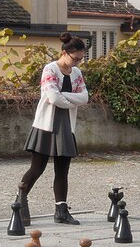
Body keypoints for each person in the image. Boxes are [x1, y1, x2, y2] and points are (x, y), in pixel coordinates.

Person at [18, 32, 89, 225]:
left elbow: (84, 98)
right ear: (65, 53)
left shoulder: (77, 73)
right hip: (46, 125)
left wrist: (64, 98)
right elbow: (53, 98)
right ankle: (19, 202)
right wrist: (69, 100)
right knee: (37, 168)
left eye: (81, 59)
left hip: (66, 126)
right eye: (76, 58)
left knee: (62, 171)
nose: (78, 63)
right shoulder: (49, 69)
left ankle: (61, 211)